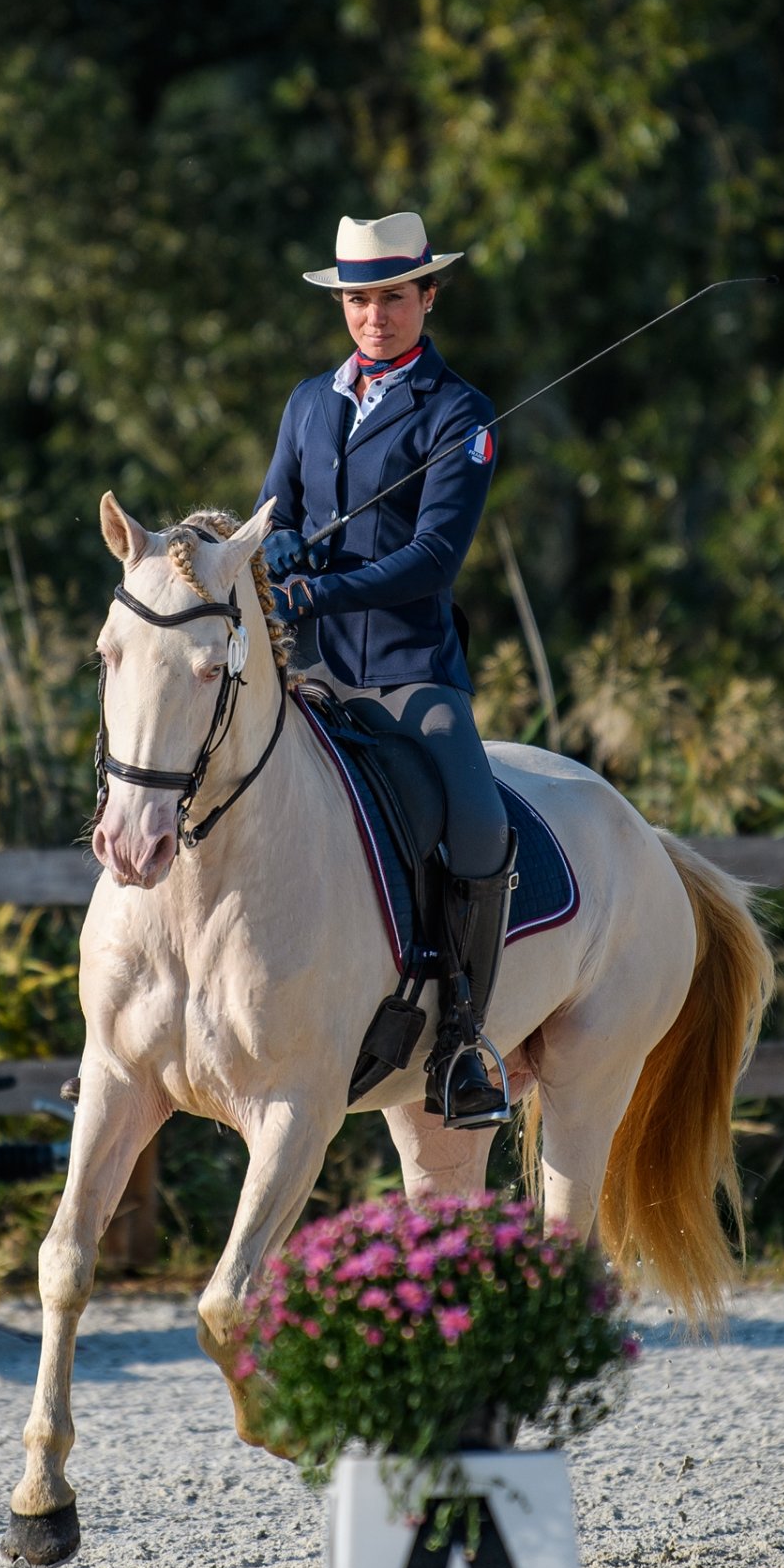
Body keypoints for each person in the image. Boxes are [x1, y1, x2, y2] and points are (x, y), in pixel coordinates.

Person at [258, 211, 515, 1128]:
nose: (375, 316)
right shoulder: (307, 403)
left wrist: (314, 595)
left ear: (427, 298)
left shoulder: (459, 413)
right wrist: (279, 545)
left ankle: (464, 1044)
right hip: (314, 678)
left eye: (393, 298)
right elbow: (271, 513)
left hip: (411, 673)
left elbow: (433, 561)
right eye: (359, 300)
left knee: (479, 826)